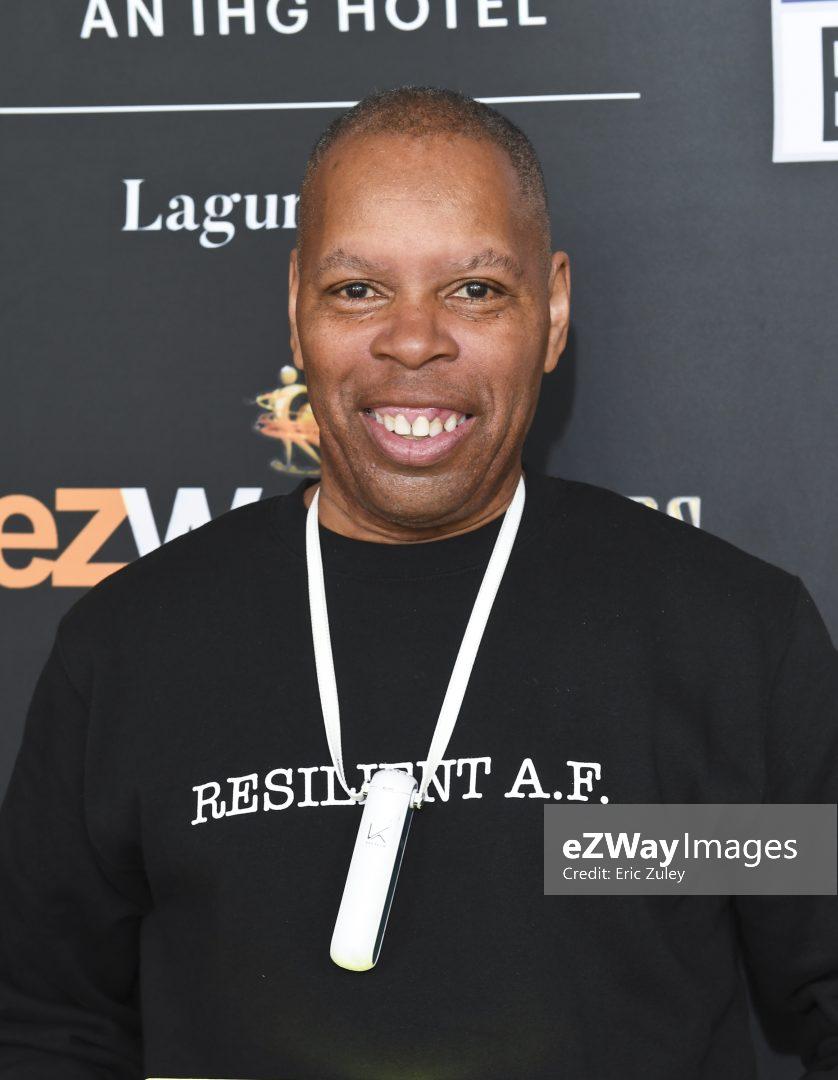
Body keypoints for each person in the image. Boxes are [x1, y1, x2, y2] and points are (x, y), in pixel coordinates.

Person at [0, 85, 836, 1080]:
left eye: (474, 289)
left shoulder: (728, 639)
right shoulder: (132, 646)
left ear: (553, 311)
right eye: (358, 289)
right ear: (297, 305)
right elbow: (43, 1026)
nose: (412, 339)